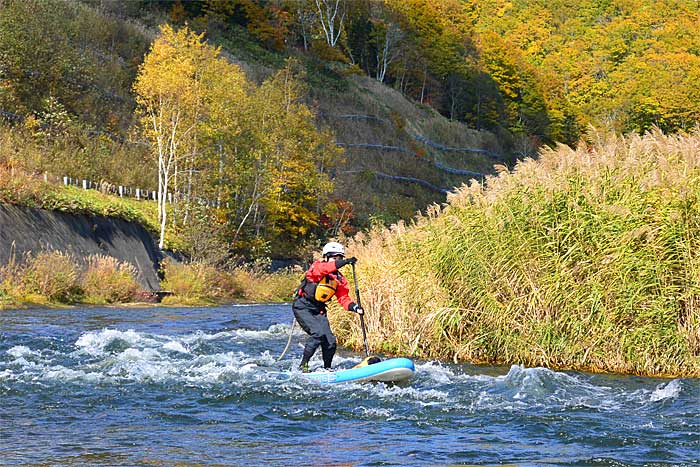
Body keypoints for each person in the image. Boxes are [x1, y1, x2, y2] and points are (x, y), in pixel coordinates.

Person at [292, 241, 364, 372]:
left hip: (318, 309)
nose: (336, 261)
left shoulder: (339, 280)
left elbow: (343, 298)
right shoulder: (317, 267)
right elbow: (326, 269)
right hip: (302, 306)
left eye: (339, 258)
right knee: (318, 334)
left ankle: (327, 369)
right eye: (334, 258)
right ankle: (303, 365)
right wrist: (346, 261)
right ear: (326, 257)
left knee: (330, 340)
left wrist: (355, 308)